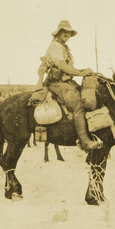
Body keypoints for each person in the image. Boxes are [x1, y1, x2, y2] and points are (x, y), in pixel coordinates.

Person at [36, 20, 103, 152]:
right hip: (57, 83)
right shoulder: (55, 46)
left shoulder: (63, 47)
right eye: (64, 31)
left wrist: (83, 71)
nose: (67, 34)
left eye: (69, 32)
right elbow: (62, 66)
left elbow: (68, 68)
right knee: (78, 103)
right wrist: (79, 72)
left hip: (66, 82)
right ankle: (85, 142)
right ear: (59, 33)